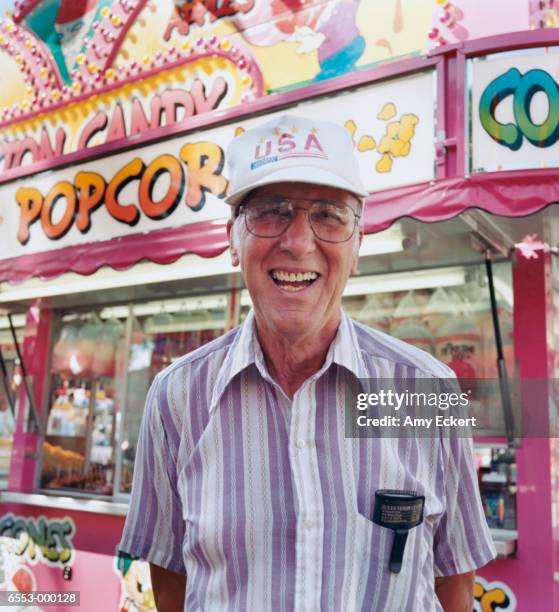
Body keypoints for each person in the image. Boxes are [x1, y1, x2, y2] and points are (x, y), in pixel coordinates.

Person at [119, 114, 496, 611]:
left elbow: (454, 583)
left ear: (357, 245)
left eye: (328, 215)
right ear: (233, 241)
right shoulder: (176, 398)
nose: (298, 242)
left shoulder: (427, 389)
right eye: (270, 212)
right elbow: (170, 581)